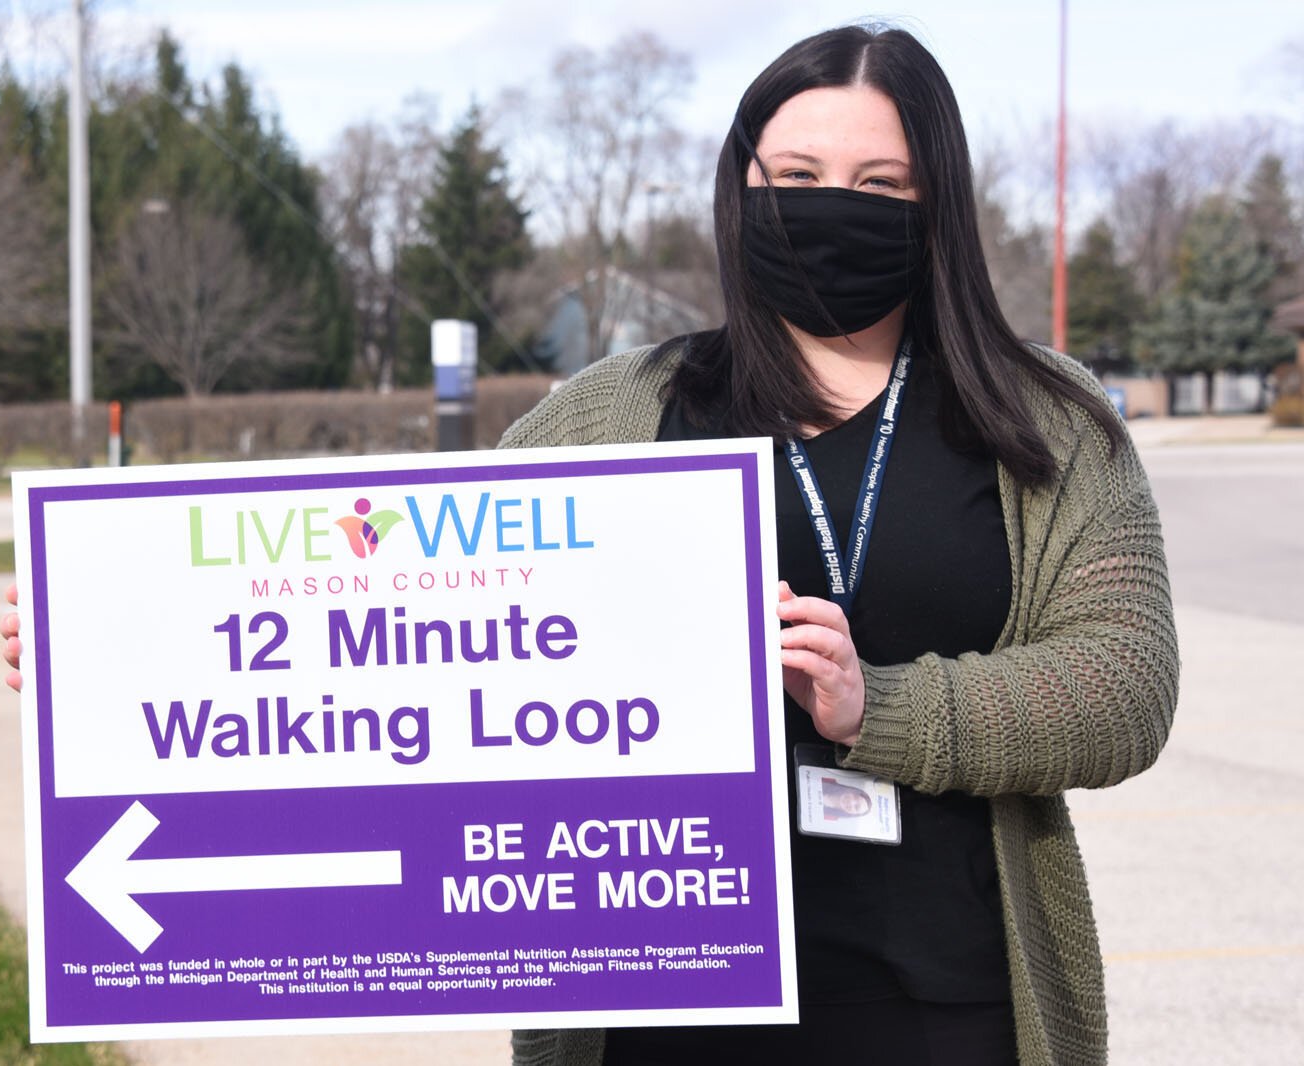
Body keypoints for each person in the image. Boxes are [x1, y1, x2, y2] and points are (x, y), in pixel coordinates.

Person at [498, 23, 1177, 1066]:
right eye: (800, 173)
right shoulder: (604, 417)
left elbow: (1123, 685)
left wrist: (880, 705)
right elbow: (448, 642)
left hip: (949, 1006)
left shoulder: (1048, 417)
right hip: (662, 1020)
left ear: (935, 205)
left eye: (878, 183)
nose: (830, 205)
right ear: (742, 185)